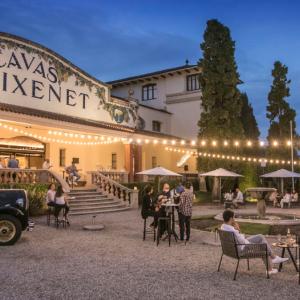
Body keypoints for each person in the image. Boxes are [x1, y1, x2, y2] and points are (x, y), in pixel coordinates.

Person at [221, 209, 288, 275]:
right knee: (263, 247)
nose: (234, 219)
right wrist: (238, 229)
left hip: (232, 249)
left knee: (260, 236)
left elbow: (240, 239)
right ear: (231, 218)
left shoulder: (223, 227)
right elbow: (241, 240)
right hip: (242, 248)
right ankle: (270, 269)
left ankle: (274, 257)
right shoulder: (233, 230)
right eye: (234, 217)